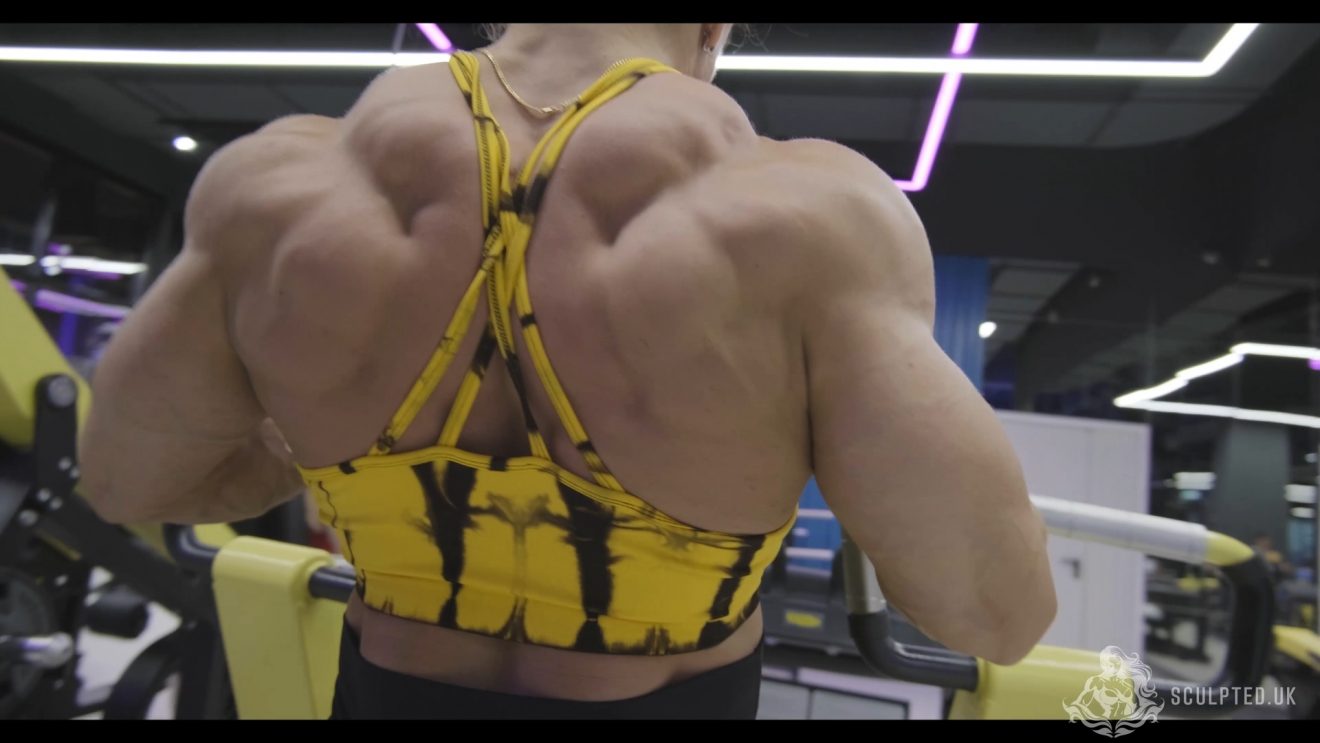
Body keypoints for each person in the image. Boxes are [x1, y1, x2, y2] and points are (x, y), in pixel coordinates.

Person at [80, 23, 1056, 719]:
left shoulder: (277, 186)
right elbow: (995, 610)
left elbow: (127, 479)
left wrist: (316, 450)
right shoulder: (813, 218)